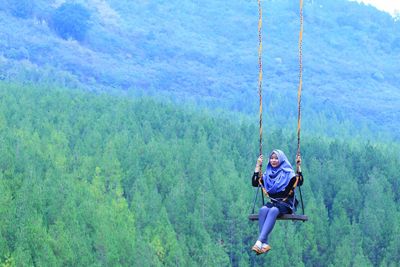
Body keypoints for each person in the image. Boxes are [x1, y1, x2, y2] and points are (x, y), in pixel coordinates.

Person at [251, 149, 303, 255]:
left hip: (287, 203)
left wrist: (298, 167)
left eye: (276, 158)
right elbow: (255, 183)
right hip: (274, 202)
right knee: (263, 209)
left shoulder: (288, 173)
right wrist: (257, 166)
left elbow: (299, 181)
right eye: (271, 158)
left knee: (274, 210)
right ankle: (264, 244)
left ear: (281, 160)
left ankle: (260, 241)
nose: (273, 161)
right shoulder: (268, 175)